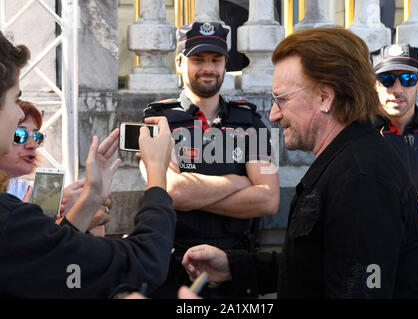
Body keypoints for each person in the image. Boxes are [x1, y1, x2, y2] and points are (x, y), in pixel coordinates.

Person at [181, 27, 418, 298]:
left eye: (282, 99)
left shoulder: (362, 180)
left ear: (325, 97)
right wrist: (235, 267)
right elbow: (317, 267)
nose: (273, 115)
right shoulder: (347, 163)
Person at [0, 31, 176, 298]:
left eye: (37, 136)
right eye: (15, 100)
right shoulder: (10, 220)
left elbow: (50, 257)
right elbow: (143, 263)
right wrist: (157, 178)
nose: (17, 115)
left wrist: (92, 196)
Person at [143, 21, 280, 298]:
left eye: (216, 59)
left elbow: (268, 200)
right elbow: (170, 192)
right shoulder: (158, 121)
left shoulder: (249, 122)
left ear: (225, 64)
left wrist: (195, 193)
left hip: (234, 267)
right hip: (174, 268)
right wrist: (238, 181)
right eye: (198, 59)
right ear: (180, 62)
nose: (208, 67)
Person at [370, 44, 418, 297]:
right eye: (386, 79)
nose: (397, 89)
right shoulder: (357, 138)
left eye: (407, 79)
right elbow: (353, 205)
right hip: (376, 270)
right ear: (374, 85)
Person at [0, 100, 111, 236]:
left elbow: (42, 247)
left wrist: (88, 217)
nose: (33, 144)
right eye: (19, 135)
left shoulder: (32, 190)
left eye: (37, 136)